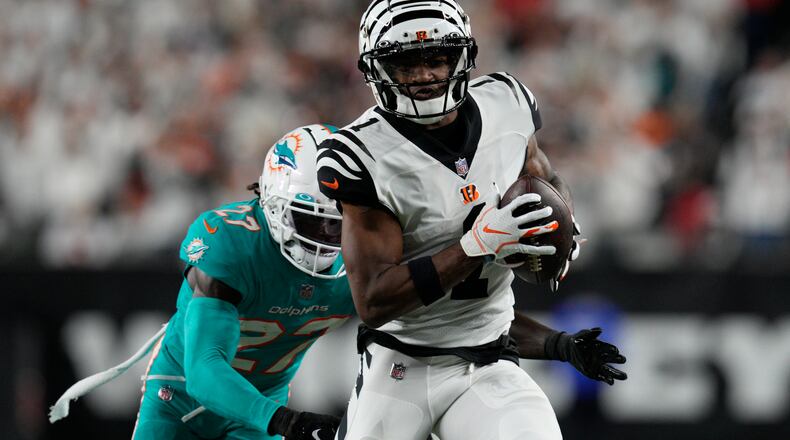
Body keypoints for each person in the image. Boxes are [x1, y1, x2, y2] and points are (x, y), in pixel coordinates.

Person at [316, 2, 627, 439]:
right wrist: (475, 246)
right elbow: (374, 300)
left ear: (461, 59)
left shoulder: (507, 104)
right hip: (401, 368)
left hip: (488, 362)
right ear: (378, 69)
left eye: (437, 58)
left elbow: (545, 176)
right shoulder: (363, 156)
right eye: (406, 64)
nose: (424, 75)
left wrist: (562, 221)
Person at [50, 125, 354, 440]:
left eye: (337, 223)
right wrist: (287, 422)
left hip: (258, 410)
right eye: (310, 219)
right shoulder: (232, 242)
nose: (325, 237)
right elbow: (204, 371)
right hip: (181, 400)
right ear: (274, 203)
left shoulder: (360, 261)